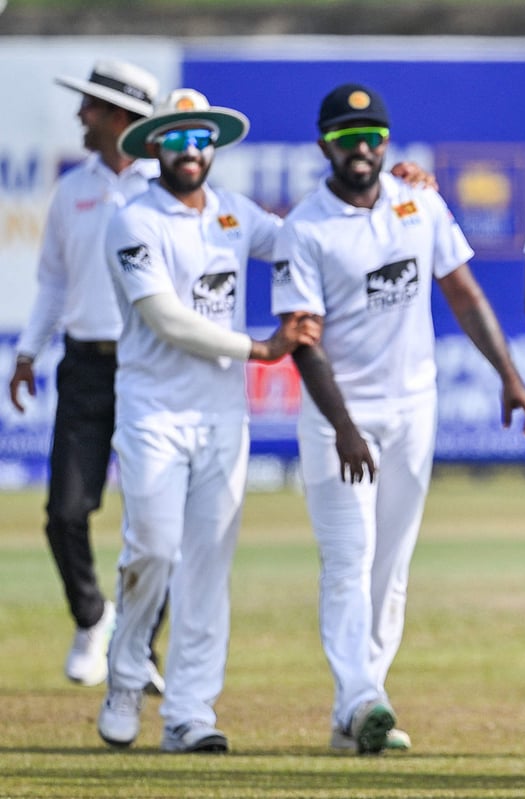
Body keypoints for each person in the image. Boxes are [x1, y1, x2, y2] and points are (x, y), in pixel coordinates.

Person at [271, 83, 525, 755]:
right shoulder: (306, 226)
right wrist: (343, 426)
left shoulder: (419, 200)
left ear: (388, 143)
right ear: (322, 145)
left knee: (391, 566)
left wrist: (508, 375)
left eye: (370, 135)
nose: (359, 148)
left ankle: (356, 709)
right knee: (348, 557)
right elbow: (302, 340)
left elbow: (465, 293)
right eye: (343, 137)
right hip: (341, 413)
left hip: (413, 407)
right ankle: (365, 697)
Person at [98, 88, 318, 752]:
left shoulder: (232, 213)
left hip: (223, 415)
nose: (190, 151)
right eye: (175, 138)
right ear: (154, 145)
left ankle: (190, 711)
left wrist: (388, 187)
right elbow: (164, 317)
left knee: (208, 565)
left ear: (214, 147)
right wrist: (259, 348)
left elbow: (301, 240)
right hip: (153, 410)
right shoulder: (131, 219)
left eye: (201, 139)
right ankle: (126, 672)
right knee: (154, 550)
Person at [8, 60, 165, 692]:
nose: (80, 116)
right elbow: (51, 279)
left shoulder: (167, 186)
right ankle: (91, 617)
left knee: (157, 525)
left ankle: (140, 648)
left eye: (92, 107)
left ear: (121, 118)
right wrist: (27, 352)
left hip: (153, 368)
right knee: (65, 511)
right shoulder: (73, 189)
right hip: (85, 365)